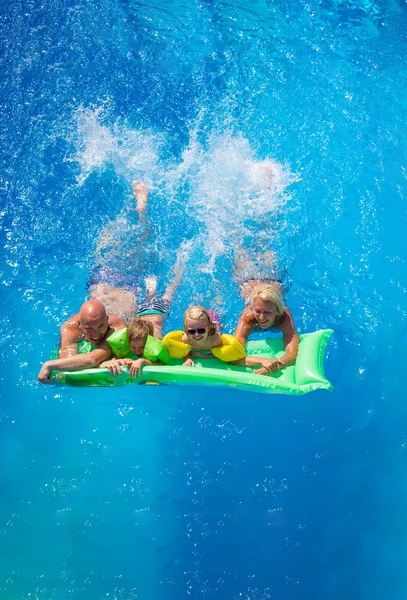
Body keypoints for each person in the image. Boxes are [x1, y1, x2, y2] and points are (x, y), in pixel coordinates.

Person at [37, 299, 126, 382]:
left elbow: (93, 359)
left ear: (107, 320)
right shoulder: (70, 328)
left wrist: (49, 365)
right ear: (80, 325)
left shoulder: (117, 327)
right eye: (88, 328)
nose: (96, 335)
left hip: (120, 301)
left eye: (101, 326)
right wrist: (100, 364)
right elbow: (68, 360)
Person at [233, 279, 299, 376]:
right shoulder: (247, 319)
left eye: (267, 312)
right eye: (258, 311)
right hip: (249, 282)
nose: (261, 318)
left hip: (275, 284)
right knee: (246, 285)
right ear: (252, 309)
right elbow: (233, 354)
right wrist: (262, 361)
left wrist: (273, 367)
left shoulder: (284, 317)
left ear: (277, 311)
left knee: (277, 284)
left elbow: (293, 354)